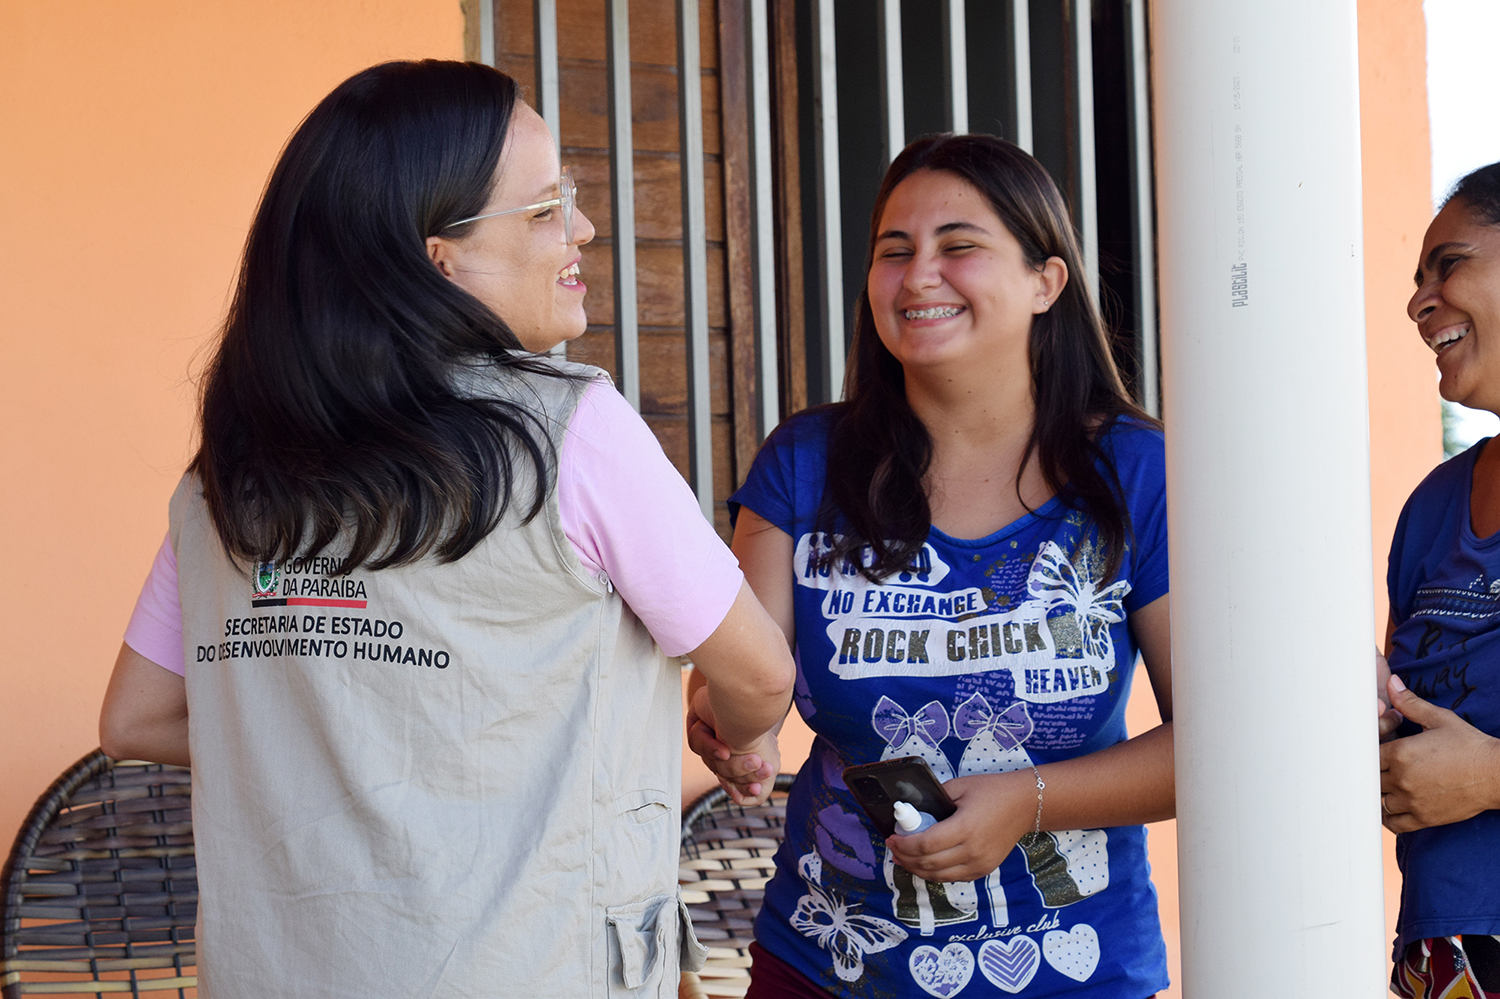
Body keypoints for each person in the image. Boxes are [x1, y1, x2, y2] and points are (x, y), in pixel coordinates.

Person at [97, 59, 794, 999]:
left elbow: (135, 717)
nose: (583, 228)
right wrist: (735, 735)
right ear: (440, 258)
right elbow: (757, 670)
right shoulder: (569, 432)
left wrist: (342, 736)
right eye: (546, 208)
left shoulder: (226, 473)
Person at [688, 134, 1173, 998]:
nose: (918, 277)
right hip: (826, 964)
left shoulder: (1137, 473)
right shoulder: (804, 463)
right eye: (894, 252)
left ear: (1044, 283)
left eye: (960, 247)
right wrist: (731, 730)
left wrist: (1028, 801)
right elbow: (744, 683)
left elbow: (1219, 745)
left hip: (1078, 971)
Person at [1381, 160, 1500, 998]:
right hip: (1444, 961)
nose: (1420, 302)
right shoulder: (1430, 508)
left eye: (1448, 264)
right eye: (1417, 277)